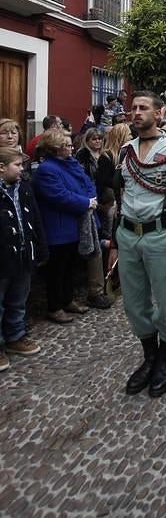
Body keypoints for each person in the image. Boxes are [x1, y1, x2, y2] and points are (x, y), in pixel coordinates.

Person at [107, 91, 166, 398]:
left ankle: (165, 357)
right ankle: (149, 355)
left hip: (161, 235)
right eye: (133, 108)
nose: (136, 112)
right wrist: (115, 243)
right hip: (128, 236)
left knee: (165, 302)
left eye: (143, 108)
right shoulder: (125, 151)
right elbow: (121, 200)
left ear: (160, 113)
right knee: (133, 303)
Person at [33, 130, 98, 324]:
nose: (71, 148)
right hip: (58, 227)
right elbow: (59, 196)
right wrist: (86, 202)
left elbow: (88, 183)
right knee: (57, 270)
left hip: (74, 224)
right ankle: (54, 307)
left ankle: (67, 300)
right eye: (66, 145)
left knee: (70, 266)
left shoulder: (72, 164)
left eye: (70, 145)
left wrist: (91, 198)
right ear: (55, 148)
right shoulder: (47, 170)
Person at [0, 147, 48, 371]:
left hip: (23, 253)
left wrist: (40, 246)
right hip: (3, 259)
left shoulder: (24, 188)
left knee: (18, 300)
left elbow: (35, 217)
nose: (22, 169)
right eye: (17, 165)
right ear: (2, 167)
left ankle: (15, 336)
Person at [75, 129, 113, 309]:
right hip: (91, 204)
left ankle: (105, 280)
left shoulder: (104, 155)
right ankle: (94, 288)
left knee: (104, 241)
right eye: (94, 138)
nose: (97, 141)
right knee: (95, 244)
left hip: (103, 203)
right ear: (87, 140)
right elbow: (88, 181)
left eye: (100, 138)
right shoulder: (82, 157)